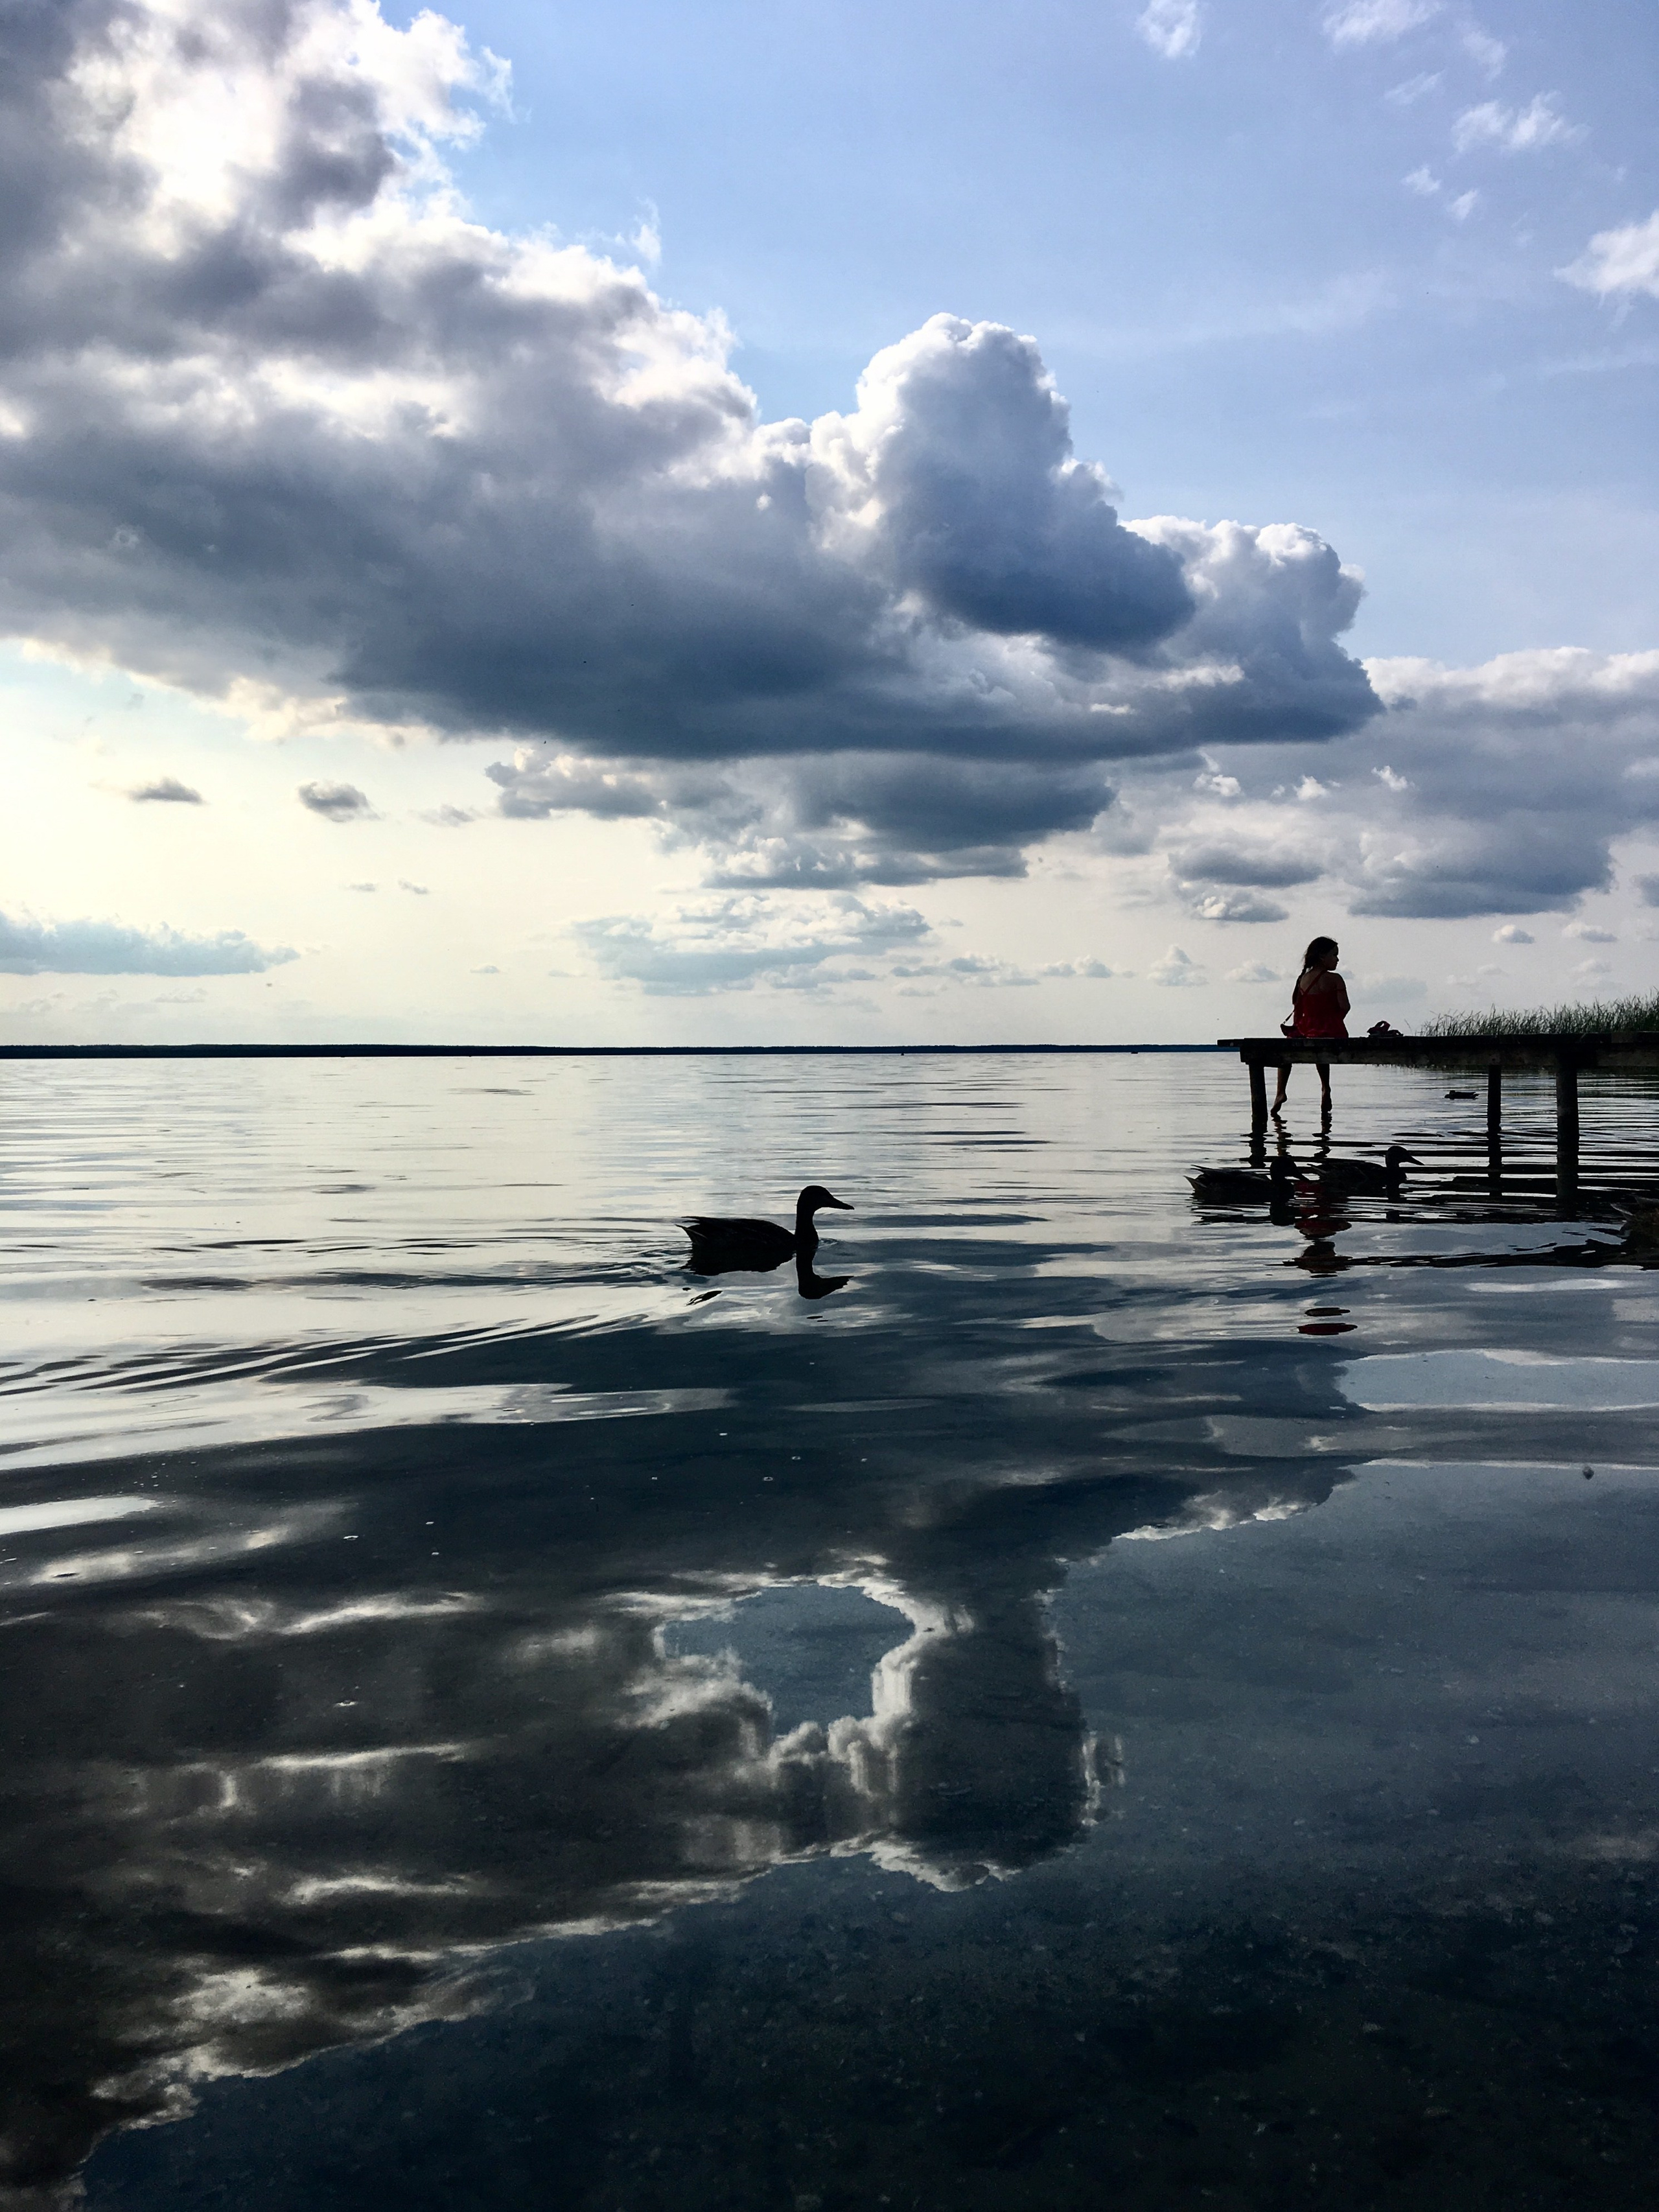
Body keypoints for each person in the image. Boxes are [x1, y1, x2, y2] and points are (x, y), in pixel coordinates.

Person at [1271, 935, 1349, 1117]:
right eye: (1334, 955)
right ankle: (1325, 1087)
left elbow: (1297, 1010)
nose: (1337, 959)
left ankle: (1280, 1092)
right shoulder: (1335, 979)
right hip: (1329, 1027)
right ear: (1322, 957)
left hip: (1306, 1027)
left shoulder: (1302, 980)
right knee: (1322, 1047)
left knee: (1286, 1053)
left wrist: (1301, 1027)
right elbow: (1345, 1006)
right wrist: (1336, 1019)